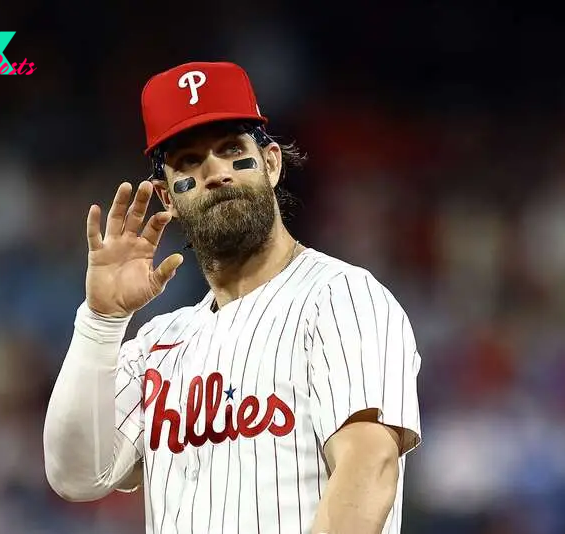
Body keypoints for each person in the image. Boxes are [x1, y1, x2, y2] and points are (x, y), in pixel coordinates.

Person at [43, 61, 422, 534]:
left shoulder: (341, 296)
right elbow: (75, 475)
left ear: (271, 162)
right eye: (189, 162)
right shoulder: (159, 343)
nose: (216, 172)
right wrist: (101, 321)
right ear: (167, 196)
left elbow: (370, 465)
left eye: (231, 149)